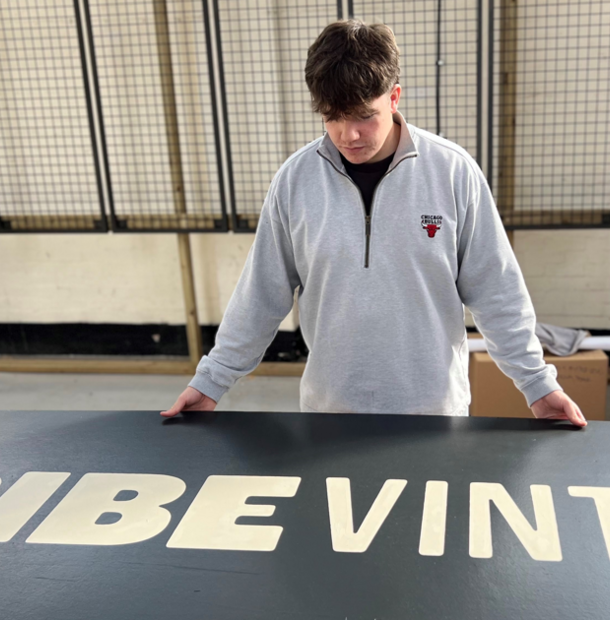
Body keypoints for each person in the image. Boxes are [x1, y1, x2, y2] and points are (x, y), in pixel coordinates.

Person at [161, 19, 585, 426]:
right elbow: (260, 294)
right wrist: (211, 380)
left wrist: (536, 384)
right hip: (329, 414)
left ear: (394, 97)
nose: (349, 135)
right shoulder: (295, 181)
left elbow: (497, 291)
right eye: (332, 116)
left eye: (364, 115)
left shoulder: (454, 173)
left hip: (432, 414)